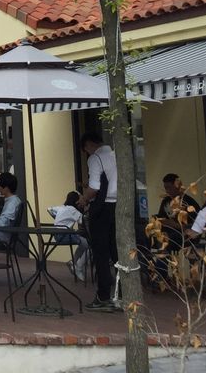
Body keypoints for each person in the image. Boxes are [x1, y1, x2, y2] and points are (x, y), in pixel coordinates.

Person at [79, 132, 119, 311]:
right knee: (117, 251)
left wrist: (83, 199)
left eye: (86, 150)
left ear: (88, 145)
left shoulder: (96, 158)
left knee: (101, 253)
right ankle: (123, 293)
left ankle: (103, 295)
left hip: (102, 208)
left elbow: (94, 186)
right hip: (119, 206)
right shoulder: (117, 155)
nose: (87, 153)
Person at [48, 190, 89, 281]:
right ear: (76, 201)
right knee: (89, 245)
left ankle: (74, 263)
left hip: (56, 235)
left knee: (83, 244)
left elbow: (50, 209)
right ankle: (77, 265)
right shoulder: (73, 210)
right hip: (65, 235)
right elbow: (83, 220)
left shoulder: (62, 207)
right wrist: (85, 208)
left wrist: (59, 219)